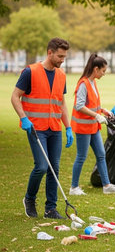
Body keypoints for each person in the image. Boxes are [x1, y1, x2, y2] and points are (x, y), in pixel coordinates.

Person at [11, 38, 74, 219]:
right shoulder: (30, 72)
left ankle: (50, 209)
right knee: (41, 166)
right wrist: (23, 118)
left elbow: (61, 102)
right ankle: (29, 199)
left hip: (54, 128)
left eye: (64, 56)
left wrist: (68, 127)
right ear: (50, 53)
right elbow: (15, 97)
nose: (62, 60)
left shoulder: (61, 75)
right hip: (35, 128)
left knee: (54, 168)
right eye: (60, 56)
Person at [70, 54, 115, 195]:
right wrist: (96, 115)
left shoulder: (93, 82)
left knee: (101, 154)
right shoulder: (83, 84)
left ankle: (106, 186)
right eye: (103, 71)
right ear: (96, 69)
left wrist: (102, 111)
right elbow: (79, 105)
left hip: (93, 126)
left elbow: (93, 105)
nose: (104, 74)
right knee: (81, 156)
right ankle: (73, 188)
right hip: (83, 127)